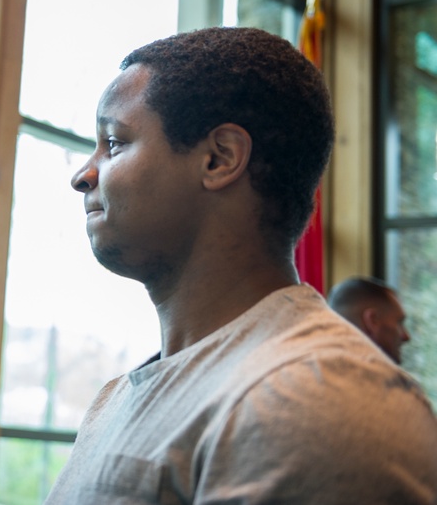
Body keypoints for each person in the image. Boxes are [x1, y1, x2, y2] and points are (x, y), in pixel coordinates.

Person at [48, 26, 437, 503]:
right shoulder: (117, 398)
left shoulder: (315, 396)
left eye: (114, 142)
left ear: (219, 158)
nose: (83, 175)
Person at [328, 275, 411, 364]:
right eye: (399, 322)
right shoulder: (384, 377)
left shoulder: (317, 371)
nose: (406, 337)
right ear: (372, 320)